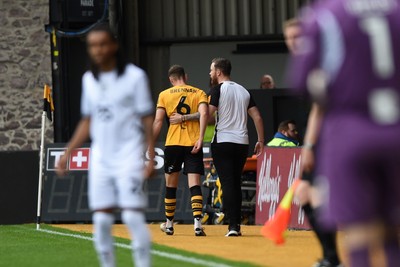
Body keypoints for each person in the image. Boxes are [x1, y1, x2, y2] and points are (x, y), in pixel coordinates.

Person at [290, 1, 400, 266]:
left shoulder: (327, 15)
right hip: (395, 128)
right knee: (393, 228)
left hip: (351, 130)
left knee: (358, 231)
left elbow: (300, 81)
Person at [56, 24, 154, 267]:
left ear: (113, 46)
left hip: (130, 155)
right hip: (100, 158)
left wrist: (150, 156)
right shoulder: (89, 80)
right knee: (100, 221)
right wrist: (67, 152)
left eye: (102, 44)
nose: (97, 49)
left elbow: (147, 118)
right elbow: (87, 120)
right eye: (92, 45)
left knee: (131, 216)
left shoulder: (135, 77)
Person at [285, 17, 342, 267]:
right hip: (321, 138)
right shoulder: (306, 66)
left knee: (314, 195)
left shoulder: (324, 62)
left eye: (300, 37)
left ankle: (335, 258)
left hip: (338, 136)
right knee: (304, 193)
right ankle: (332, 257)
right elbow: (316, 111)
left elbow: (321, 108)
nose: (295, 42)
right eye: (290, 38)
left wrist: (308, 146)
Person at [208, 58, 264, 236]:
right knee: (236, 183)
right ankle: (235, 225)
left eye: (211, 70)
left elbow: (208, 116)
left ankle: (232, 225)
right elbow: (258, 117)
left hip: (222, 141)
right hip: (242, 143)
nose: (210, 74)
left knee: (227, 183)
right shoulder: (243, 91)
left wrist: (186, 118)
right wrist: (261, 140)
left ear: (218, 72)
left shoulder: (217, 90)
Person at [152, 65, 208, 236]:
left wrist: (149, 143)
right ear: (186, 76)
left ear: (171, 79)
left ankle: (169, 225)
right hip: (193, 143)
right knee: (195, 184)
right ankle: (197, 224)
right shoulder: (199, 92)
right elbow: (205, 114)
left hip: (173, 143)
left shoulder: (164, 95)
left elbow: (158, 122)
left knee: (171, 186)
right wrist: (200, 138)